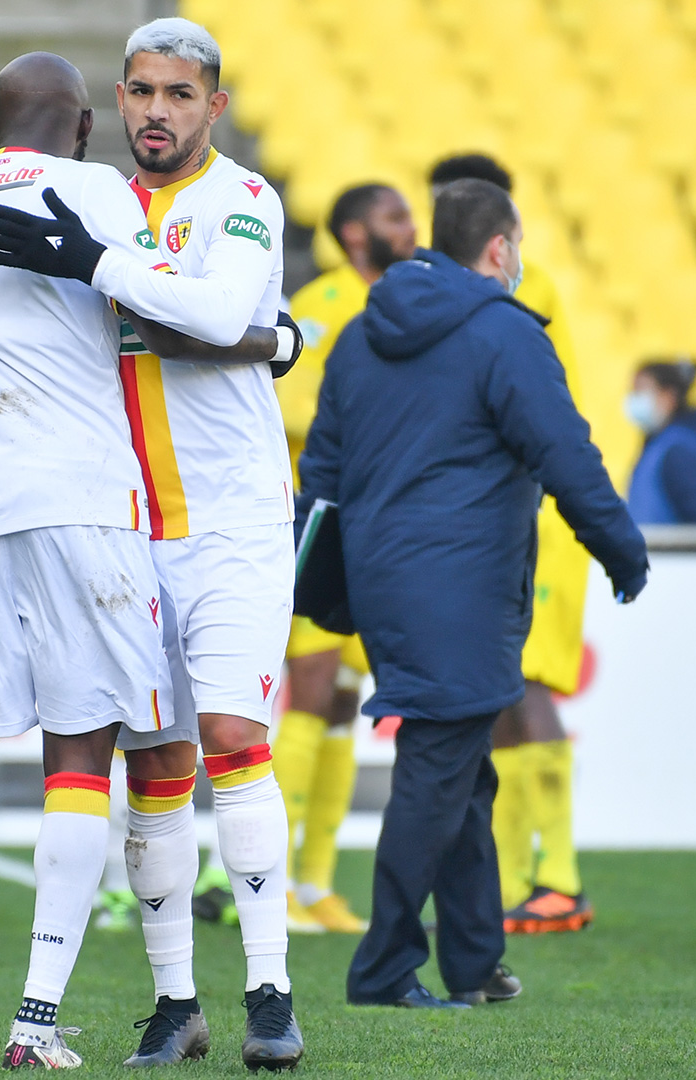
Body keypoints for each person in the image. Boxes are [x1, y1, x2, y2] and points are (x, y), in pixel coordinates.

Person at [0, 17, 306, 1070]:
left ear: (216, 105)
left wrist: (100, 267)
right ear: (115, 103)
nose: (157, 111)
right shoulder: (103, 205)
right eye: (140, 93)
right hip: (126, 528)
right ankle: (176, 1003)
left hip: (235, 522)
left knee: (230, 738)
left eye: (179, 94)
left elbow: (212, 316)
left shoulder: (241, 201)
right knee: (150, 764)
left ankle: (269, 992)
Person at [299, 178, 648, 1009]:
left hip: (387, 583)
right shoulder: (505, 335)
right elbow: (566, 452)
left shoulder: (358, 334)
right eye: (517, 246)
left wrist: (330, 583)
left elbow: (321, 474)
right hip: (464, 584)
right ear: (499, 248)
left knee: (462, 771)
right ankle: (383, 969)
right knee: (436, 767)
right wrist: (621, 549)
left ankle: (473, 960)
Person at [427, 153, 596, 934]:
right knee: (501, 697)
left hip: (539, 522)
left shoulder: (525, 288)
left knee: (529, 690)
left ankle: (558, 876)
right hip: (497, 517)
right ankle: (510, 877)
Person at [270, 181, 417, 937]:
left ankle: (314, 878)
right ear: (357, 232)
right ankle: (269, 883)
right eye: (396, 216)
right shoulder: (321, 303)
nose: (412, 227)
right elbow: (288, 402)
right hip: (320, 517)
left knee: (342, 707)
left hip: (383, 525)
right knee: (311, 688)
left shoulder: (407, 300)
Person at [624, 358, 696, 526]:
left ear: (668, 396)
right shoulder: (656, 446)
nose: (634, 398)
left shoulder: (679, 451)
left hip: (670, 552)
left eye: (641, 390)